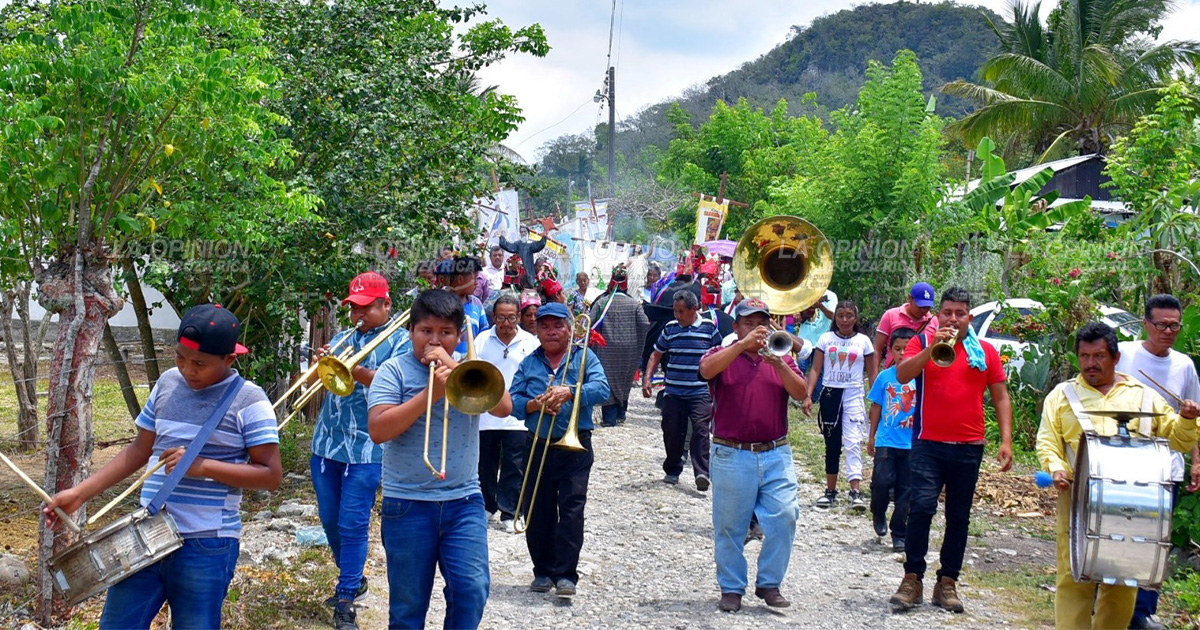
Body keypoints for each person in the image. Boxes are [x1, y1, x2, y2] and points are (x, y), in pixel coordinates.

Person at [44, 304, 282, 630]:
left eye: (200, 363)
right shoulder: (168, 383)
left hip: (206, 543)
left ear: (230, 359)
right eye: (180, 357)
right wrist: (79, 494)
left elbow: (271, 475)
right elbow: (140, 449)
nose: (187, 369)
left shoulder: (249, 401)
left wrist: (202, 466)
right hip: (146, 534)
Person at [1036, 321, 1198, 630]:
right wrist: (1055, 468)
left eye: (1098, 356)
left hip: (1132, 505)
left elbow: (1179, 440)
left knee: (1122, 581)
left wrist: (1187, 420)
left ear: (1115, 358)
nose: (1090, 364)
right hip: (1077, 500)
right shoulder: (1061, 396)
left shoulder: (1144, 397)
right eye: (1084, 356)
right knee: (1073, 578)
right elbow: (1048, 441)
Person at [367, 289, 514, 629]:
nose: (435, 340)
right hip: (406, 502)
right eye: (426, 331)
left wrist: (457, 368)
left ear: (458, 336)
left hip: (463, 500)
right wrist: (430, 394)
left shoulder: (472, 370)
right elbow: (378, 430)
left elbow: (504, 407)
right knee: (407, 608)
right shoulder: (394, 372)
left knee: (472, 589)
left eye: (445, 333)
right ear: (411, 332)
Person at [890, 286, 1013, 614]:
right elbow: (902, 375)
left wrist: (1006, 439)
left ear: (969, 318)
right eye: (948, 313)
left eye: (960, 314)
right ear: (938, 315)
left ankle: (947, 582)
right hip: (928, 442)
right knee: (921, 509)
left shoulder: (984, 351)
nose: (954, 319)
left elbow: (1000, 396)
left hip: (969, 446)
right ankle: (912, 578)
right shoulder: (921, 342)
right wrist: (930, 348)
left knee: (959, 517)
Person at [311, 272, 410, 629]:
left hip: (368, 448)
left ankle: (346, 596)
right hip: (326, 443)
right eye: (354, 309)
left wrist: (354, 368)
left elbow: (393, 385)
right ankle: (353, 576)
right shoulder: (342, 337)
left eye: (366, 308)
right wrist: (321, 363)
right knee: (330, 520)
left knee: (353, 522)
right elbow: (313, 382)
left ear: (386, 305)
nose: (357, 317)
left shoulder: (401, 342)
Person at [698, 298, 807, 613]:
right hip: (732, 453)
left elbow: (801, 393)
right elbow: (705, 370)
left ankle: (769, 583)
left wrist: (779, 363)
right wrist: (741, 345)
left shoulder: (781, 354)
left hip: (776, 452)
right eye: (748, 322)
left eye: (762, 322)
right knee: (730, 526)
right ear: (736, 327)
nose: (756, 329)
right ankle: (731, 588)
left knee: (785, 516)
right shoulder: (723, 352)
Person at [509, 302, 611, 599]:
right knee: (537, 510)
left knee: (571, 511)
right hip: (537, 443)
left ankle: (566, 575)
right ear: (536, 330)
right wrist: (534, 404)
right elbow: (513, 402)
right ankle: (542, 570)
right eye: (544, 326)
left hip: (575, 446)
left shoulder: (584, 358)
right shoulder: (529, 363)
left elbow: (603, 390)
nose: (551, 331)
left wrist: (570, 392)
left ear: (570, 328)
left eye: (558, 325)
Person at [1114, 294, 1200, 630]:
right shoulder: (1123, 354)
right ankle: (1107, 599)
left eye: (1174, 325)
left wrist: (1196, 462)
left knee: (1155, 540)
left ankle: (1143, 612)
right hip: (1123, 460)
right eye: (1161, 324)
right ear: (1146, 324)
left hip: (1167, 466)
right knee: (1120, 530)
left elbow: (1192, 416)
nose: (1168, 331)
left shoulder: (1184, 366)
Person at [643, 290, 722, 489]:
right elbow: (656, 354)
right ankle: (672, 469)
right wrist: (647, 377)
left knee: (701, 431)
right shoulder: (670, 328)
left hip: (700, 392)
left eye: (681, 311)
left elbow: (720, 355)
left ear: (694, 309)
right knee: (671, 430)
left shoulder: (708, 328)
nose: (677, 316)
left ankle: (702, 473)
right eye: (675, 311)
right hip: (674, 392)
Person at [802, 300, 877, 510]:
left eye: (849, 316)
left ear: (856, 318)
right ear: (835, 317)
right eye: (840, 315)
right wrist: (808, 395)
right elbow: (816, 369)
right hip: (830, 393)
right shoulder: (826, 339)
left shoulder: (863, 341)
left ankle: (855, 491)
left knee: (853, 442)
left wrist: (876, 398)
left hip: (853, 393)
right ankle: (830, 490)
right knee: (832, 443)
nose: (844, 320)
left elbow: (871, 372)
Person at [475, 294, 539, 533]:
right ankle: (487, 506)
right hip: (485, 415)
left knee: (515, 466)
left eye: (511, 318)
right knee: (485, 464)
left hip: (517, 417)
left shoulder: (530, 343)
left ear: (519, 317)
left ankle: (511, 512)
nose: (506, 323)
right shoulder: (481, 340)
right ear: (494, 317)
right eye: (501, 317)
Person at [866, 327, 918, 552]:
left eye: (907, 349)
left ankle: (900, 533)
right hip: (886, 440)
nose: (902, 353)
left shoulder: (921, 377)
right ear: (890, 351)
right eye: (897, 349)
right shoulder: (885, 377)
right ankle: (878, 511)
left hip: (912, 443)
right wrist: (871, 436)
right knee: (881, 482)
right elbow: (876, 406)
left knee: (906, 490)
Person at [589, 265, 650, 427]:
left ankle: (609, 418)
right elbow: (645, 323)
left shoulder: (602, 302)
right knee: (625, 378)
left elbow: (589, 322)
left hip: (605, 347)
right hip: (629, 348)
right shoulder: (634, 304)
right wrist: (638, 342)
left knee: (608, 379)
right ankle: (621, 413)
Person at [874, 282, 936, 368]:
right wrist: (874, 379)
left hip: (920, 375)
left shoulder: (934, 322)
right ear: (910, 298)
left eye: (927, 307)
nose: (923, 310)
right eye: (920, 306)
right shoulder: (890, 315)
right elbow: (877, 349)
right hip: (893, 374)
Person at [795, 290, 839, 403]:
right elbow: (797, 315)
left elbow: (834, 317)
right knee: (799, 368)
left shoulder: (831, 296)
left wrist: (820, 306)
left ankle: (813, 398)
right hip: (804, 339)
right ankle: (797, 396)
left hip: (822, 340)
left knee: (819, 371)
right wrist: (800, 312)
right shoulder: (803, 292)